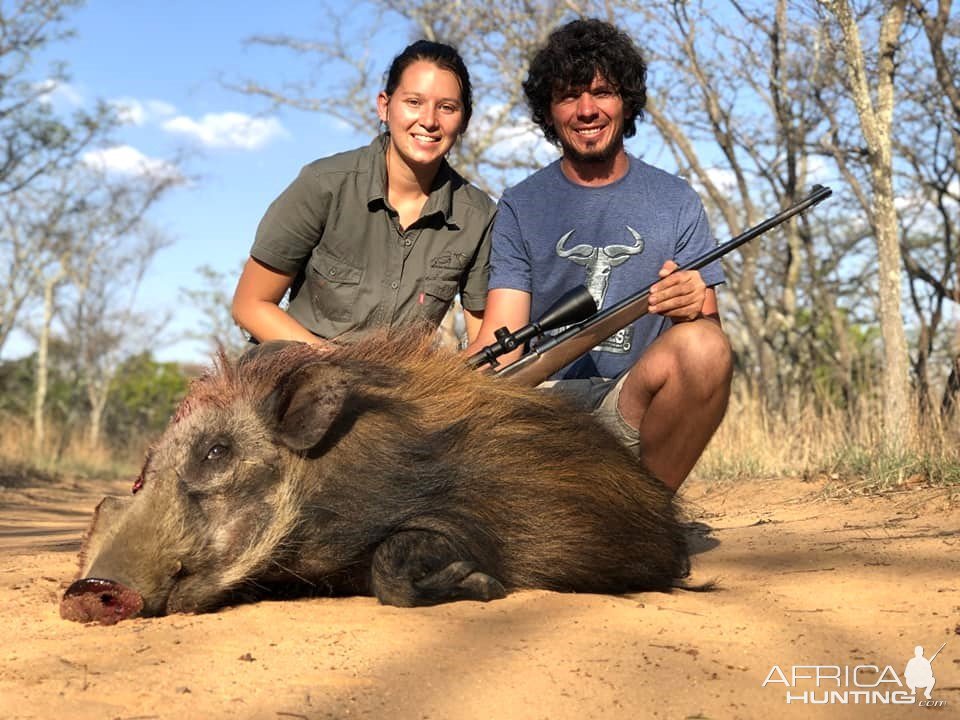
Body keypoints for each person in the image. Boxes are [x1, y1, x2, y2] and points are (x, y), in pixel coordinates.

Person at [467, 19, 733, 492]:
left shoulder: (676, 200)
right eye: (569, 96)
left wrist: (694, 303)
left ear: (626, 101)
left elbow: (708, 333)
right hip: (543, 414)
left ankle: (647, 515)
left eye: (602, 92)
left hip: (632, 404)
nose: (587, 110)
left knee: (706, 347)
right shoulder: (520, 203)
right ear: (548, 111)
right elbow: (503, 342)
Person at [232, 40, 494, 349]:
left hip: (397, 390)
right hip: (298, 371)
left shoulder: (478, 217)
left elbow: (484, 343)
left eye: (447, 107)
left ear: (464, 121)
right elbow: (250, 304)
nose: (429, 120)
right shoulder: (323, 184)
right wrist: (337, 370)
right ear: (384, 105)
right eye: (413, 102)